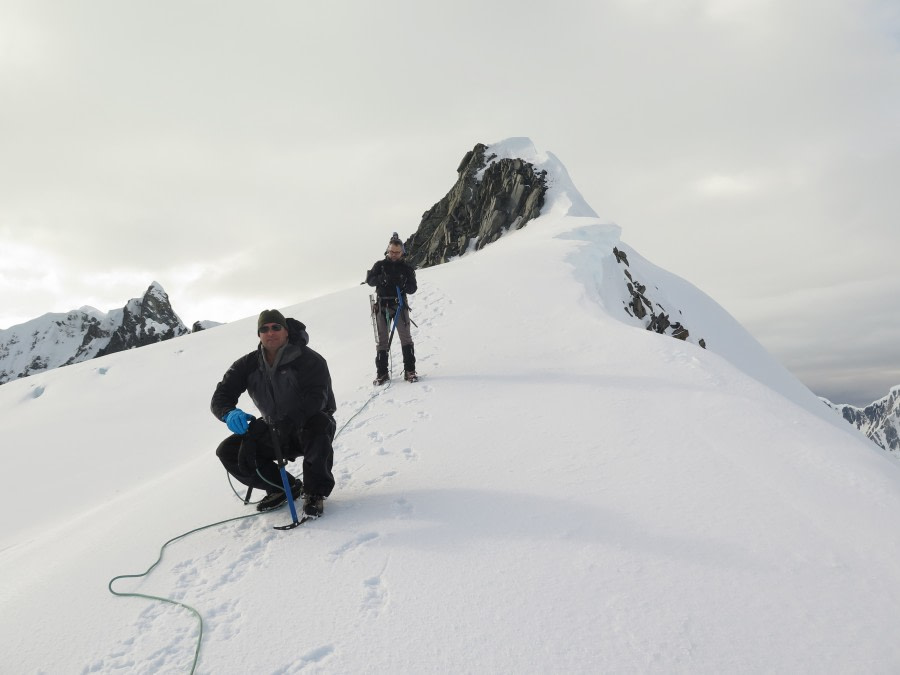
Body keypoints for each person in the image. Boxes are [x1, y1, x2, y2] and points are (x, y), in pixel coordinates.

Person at [210, 309, 336, 517]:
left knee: (319, 424)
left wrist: (288, 421)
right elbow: (222, 394)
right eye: (264, 329)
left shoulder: (309, 359)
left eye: (276, 327)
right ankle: (282, 487)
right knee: (228, 451)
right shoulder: (248, 364)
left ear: (286, 331)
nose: (270, 333)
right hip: (274, 427)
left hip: (306, 424)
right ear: (259, 334)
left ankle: (314, 492)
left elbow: (317, 398)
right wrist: (229, 413)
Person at [366, 235, 418, 384]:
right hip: (382, 306)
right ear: (387, 251)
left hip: (400, 306)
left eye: (397, 252)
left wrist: (402, 284)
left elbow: (413, 288)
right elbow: (369, 281)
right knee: (382, 341)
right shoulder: (380, 265)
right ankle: (382, 373)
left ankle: (410, 371)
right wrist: (381, 279)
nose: (394, 255)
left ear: (402, 252)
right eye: (392, 252)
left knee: (406, 339)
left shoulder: (407, 268)